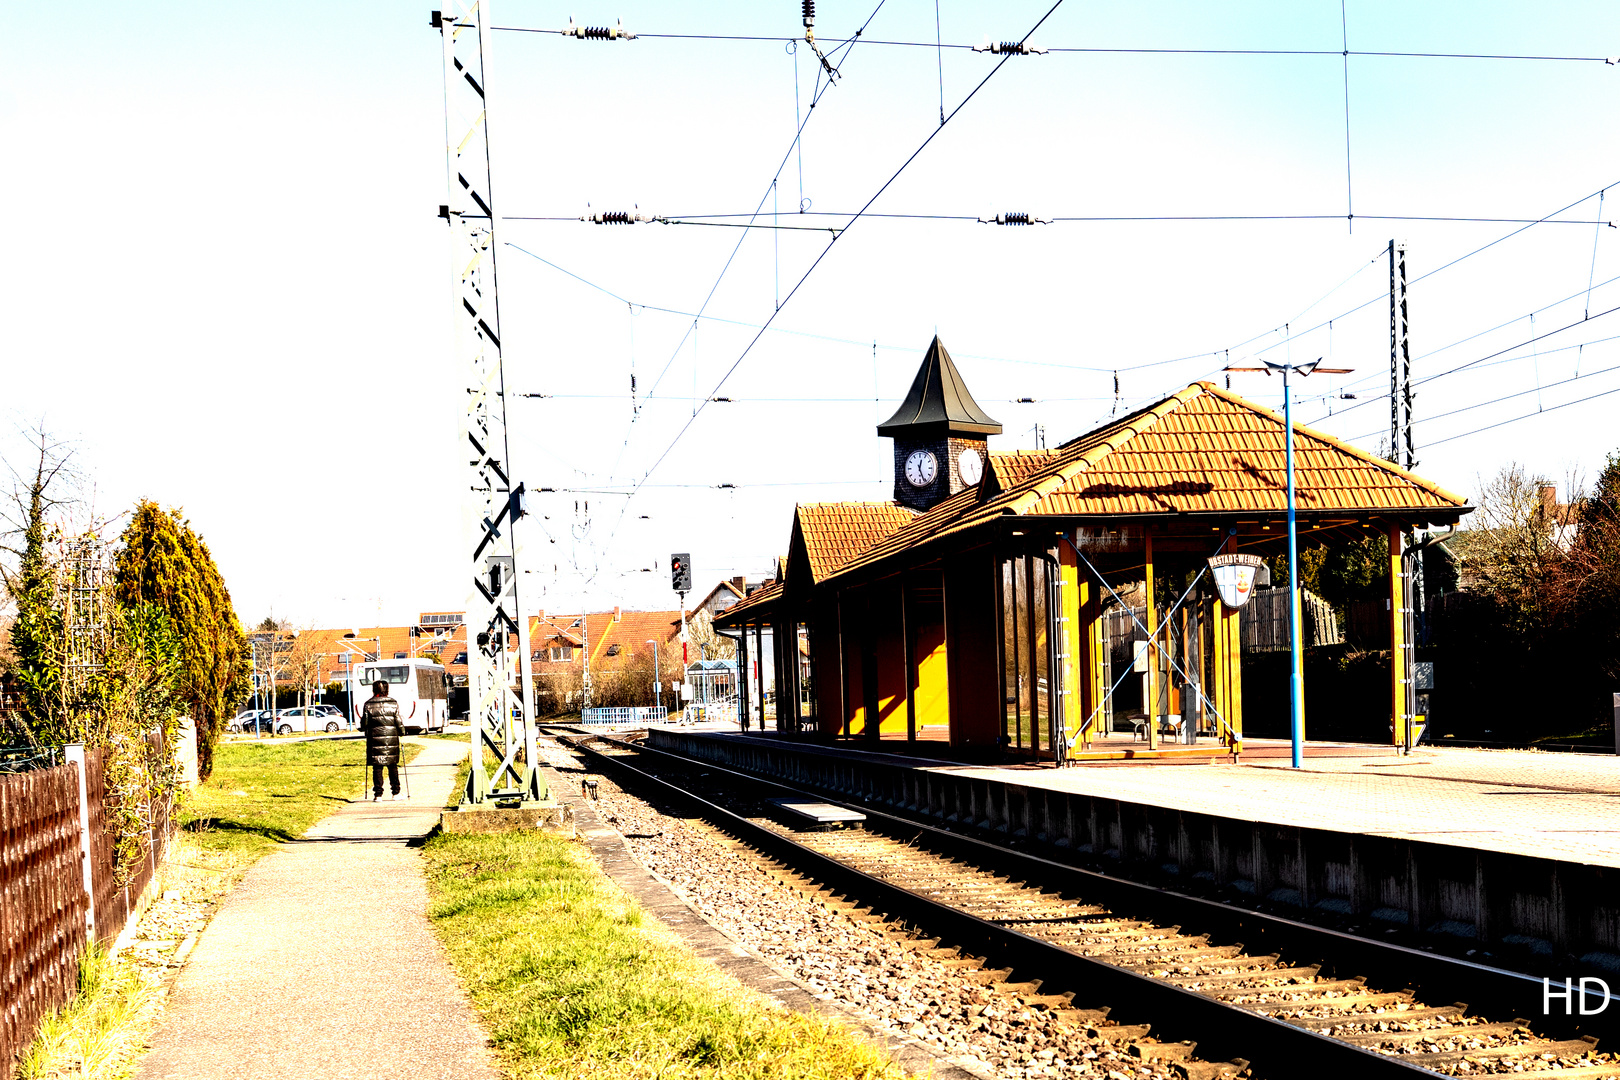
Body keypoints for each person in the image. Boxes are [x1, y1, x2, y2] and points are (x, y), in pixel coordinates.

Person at [359, 679, 405, 801]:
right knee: (392, 766)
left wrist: (364, 729)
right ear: (387, 689)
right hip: (391, 739)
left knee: (377, 767)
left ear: (374, 690)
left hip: (374, 739)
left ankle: (378, 794)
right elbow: (398, 721)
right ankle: (396, 792)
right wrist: (402, 732)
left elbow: (364, 723)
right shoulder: (393, 703)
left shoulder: (368, 704)